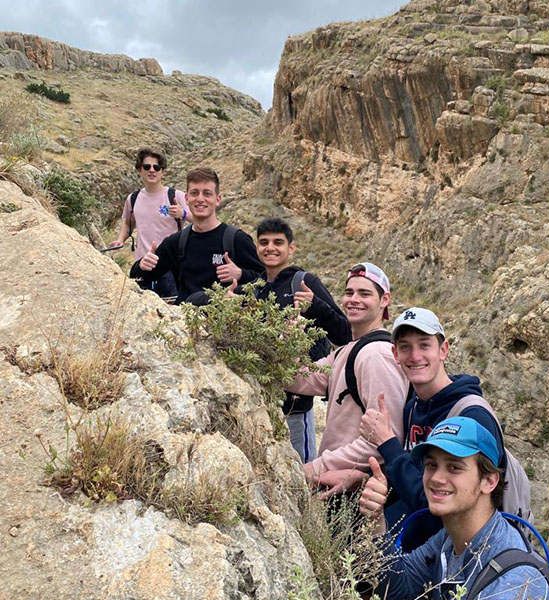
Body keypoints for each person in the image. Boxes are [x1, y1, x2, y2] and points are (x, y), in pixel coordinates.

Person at [359, 417, 549, 600]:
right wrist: (376, 522)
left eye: (454, 467)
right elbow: (398, 588)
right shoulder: (449, 539)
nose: (436, 478)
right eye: (431, 465)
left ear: (489, 481)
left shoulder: (514, 582)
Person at [358, 306, 507, 548]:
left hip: (462, 548)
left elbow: (437, 500)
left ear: (443, 350)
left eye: (424, 345)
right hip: (419, 540)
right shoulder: (413, 407)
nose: (414, 356)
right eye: (405, 347)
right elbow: (414, 476)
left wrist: (387, 443)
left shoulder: (472, 415)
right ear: (395, 354)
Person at [286, 263, 409, 495]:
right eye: (349, 292)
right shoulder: (346, 351)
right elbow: (297, 380)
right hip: (339, 483)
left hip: (361, 491)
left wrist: (315, 467)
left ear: (385, 300)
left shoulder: (377, 355)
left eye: (365, 294)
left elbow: (382, 442)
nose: (353, 299)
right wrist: (291, 341)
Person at [247, 217, 351, 463]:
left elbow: (345, 334)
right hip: (257, 401)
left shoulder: (304, 283)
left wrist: (315, 307)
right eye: (264, 242)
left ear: (290, 247)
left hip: (295, 404)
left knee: (301, 471)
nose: (270, 248)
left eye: (278, 242)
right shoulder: (253, 288)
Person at [130, 166, 263, 304]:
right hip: (185, 320)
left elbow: (265, 279)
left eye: (207, 193)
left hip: (223, 321)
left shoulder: (236, 239)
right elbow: (140, 277)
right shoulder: (176, 242)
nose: (200, 199)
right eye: (194, 193)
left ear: (218, 199)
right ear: (187, 199)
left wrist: (241, 274)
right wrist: (142, 265)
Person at [109, 148, 188, 298]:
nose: (152, 170)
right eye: (147, 167)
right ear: (139, 170)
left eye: (157, 167)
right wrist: (120, 240)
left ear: (162, 171)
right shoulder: (133, 199)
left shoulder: (176, 196)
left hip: (171, 268)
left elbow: (199, 220)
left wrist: (183, 213)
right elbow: (128, 225)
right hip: (143, 265)